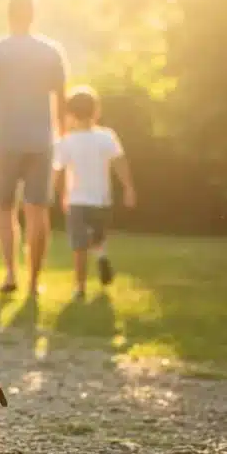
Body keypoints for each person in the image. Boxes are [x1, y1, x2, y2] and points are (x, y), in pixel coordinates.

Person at [0, 0, 68, 295]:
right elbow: (62, 99)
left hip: (5, 140)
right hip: (42, 140)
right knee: (38, 211)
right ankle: (35, 281)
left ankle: (11, 273)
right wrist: (62, 136)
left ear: (9, 15)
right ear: (33, 16)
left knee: (4, 208)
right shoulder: (51, 51)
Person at [53, 86, 137, 300]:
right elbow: (120, 163)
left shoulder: (66, 141)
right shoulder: (107, 137)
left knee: (79, 246)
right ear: (96, 111)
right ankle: (102, 257)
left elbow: (58, 171)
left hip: (77, 201)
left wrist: (56, 194)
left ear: (69, 114)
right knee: (97, 238)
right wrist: (128, 187)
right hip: (101, 200)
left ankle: (80, 288)